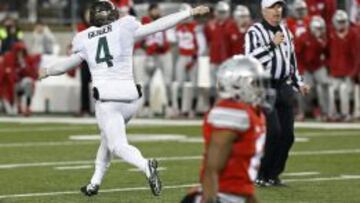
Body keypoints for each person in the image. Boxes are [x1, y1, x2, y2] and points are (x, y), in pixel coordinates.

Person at [38, 0, 209, 197]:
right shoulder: (124, 26)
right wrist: (189, 13)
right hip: (130, 99)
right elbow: (158, 25)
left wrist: (48, 71)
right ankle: (94, 183)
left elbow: (67, 64)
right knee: (106, 140)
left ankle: (146, 165)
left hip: (108, 100)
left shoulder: (84, 38)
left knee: (116, 144)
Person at [181, 55, 270, 203]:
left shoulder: (251, 113)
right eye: (255, 83)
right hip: (219, 198)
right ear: (238, 85)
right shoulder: (231, 111)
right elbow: (212, 168)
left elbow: (242, 184)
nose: (259, 88)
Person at [245, 0, 310, 186]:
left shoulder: (286, 32)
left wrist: (299, 83)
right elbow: (250, 60)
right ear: (263, 10)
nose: (277, 10)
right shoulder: (254, 31)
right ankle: (260, 173)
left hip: (284, 86)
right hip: (264, 86)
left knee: (288, 135)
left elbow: (291, 61)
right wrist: (271, 45)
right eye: (273, 7)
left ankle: (274, 174)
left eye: (280, 6)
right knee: (273, 131)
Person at [172, 3, 206, 118]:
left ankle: (192, 109)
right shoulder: (177, 27)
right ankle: (181, 109)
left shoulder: (195, 27)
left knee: (194, 84)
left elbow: (202, 46)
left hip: (192, 57)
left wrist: (194, 58)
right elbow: (173, 40)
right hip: (182, 56)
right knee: (179, 84)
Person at [295, 16, 329, 121]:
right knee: (303, 87)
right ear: (312, 28)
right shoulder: (303, 37)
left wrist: (326, 66)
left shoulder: (325, 38)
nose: (320, 31)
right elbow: (296, 54)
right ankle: (302, 112)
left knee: (324, 85)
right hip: (305, 67)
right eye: (318, 28)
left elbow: (328, 54)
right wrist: (300, 70)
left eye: (321, 28)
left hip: (319, 66)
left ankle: (325, 112)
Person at [327, 10, 357, 122]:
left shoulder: (353, 34)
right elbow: (326, 52)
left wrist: (353, 72)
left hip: (348, 72)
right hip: (335, 72)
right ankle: (332, 114)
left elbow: (356, 55)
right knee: (331, 90)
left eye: (343, 21)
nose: (341, 24)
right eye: (339, 21)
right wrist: (329, 67)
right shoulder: (331, 34)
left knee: (343, 90)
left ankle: (346, 114)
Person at [204, 1, 233, 106]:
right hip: (214, 58)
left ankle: (225, 105)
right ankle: (212, 106)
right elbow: (208, 41)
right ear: (216, 12)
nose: (222, 14)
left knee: (225, 84)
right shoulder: (210, 25)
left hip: (227, 60)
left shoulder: (231, 25)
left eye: (224, 12)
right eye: (220, 12)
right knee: (212, 85)